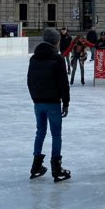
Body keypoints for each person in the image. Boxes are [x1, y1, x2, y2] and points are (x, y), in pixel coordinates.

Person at [27, 27, 71, 182]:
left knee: (40, 132)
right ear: (56, 42)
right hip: (52, 103)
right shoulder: (57, 59)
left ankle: (36, 165)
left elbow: (30, 81)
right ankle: (56, 168)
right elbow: (63, 84)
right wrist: (66, 103)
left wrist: (35, 98)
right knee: (56, 135)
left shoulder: (34, 58)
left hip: (38, 103)